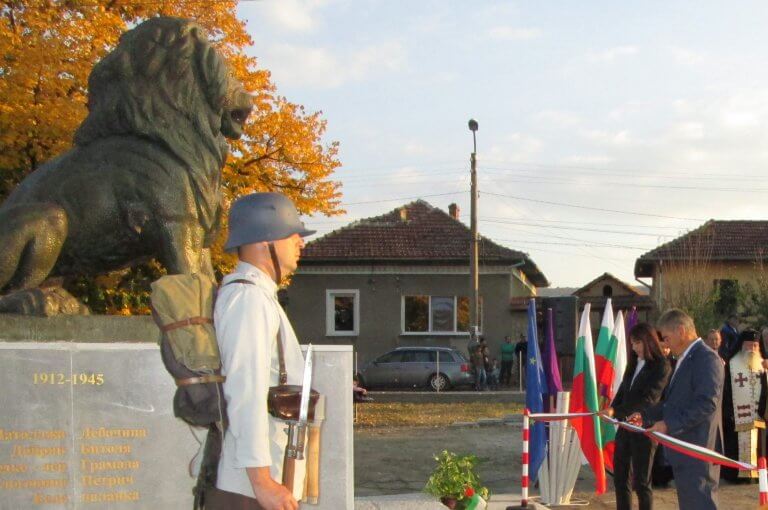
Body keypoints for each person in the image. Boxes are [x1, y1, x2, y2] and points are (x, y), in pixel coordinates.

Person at [209, 192, 315, 510]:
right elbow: (245, 392)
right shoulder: (248, 299)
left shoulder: (258, 296)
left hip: (258, 482)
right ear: (264, 240)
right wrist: (263, 482)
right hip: (250, 488)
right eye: (292, 233)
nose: (301, 242)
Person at [628, 309, 724, 510]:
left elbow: (706, 403)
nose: (664, 343)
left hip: (698, 449)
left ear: (681, 331)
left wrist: (668, 424)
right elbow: (672, 403)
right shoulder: (684, 359)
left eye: (666, 337)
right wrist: (644, 415)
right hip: (684, 449)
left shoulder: (706, 358)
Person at [603, 323, 671, 510]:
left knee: (641, 482)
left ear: (649, 341)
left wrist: (616, 412)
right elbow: (624, 391)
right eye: (632, 343)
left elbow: (649, 399)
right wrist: (612, 409)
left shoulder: (661, 366)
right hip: (625, 427)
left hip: (646, 428)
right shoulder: (633, 363)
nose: (634, 347)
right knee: (620, 477)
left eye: (637, 343)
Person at [721, 328, 767, 482]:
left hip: (759, 414)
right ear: (741, 346)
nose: (752, 349)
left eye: (755, 346)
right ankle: (736, 476)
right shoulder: (731, 365)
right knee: (735, 445)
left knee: (759, 446)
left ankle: (757, 475)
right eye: (748, 345)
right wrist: (729, 412)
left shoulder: (763, 365)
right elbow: (726, 391)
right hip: (736, 415)